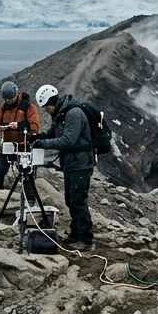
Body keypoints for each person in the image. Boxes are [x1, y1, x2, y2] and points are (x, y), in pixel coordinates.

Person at [33, 84, 96, 251]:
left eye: (46, 106)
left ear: (52, 101)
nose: (46, 109)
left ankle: (86, 239)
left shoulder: (73, 114)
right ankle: (76, 234)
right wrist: (36, 137)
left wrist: (42, 144)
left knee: (77, 200)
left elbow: (68, 140)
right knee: (71, 199)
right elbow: (52, 134)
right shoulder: (61, 114)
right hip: (72, 163)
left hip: (80, 164)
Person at [0, 80, 41, 191]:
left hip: (24, 147)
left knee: (26, 174)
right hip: (8, 146)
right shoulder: (3, 107)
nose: (9, 101)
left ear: (16, 94)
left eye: (11, 98)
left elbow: (35, 127)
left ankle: (30, 200)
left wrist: (18, 126)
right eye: (7, 99)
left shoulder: (28, 107)